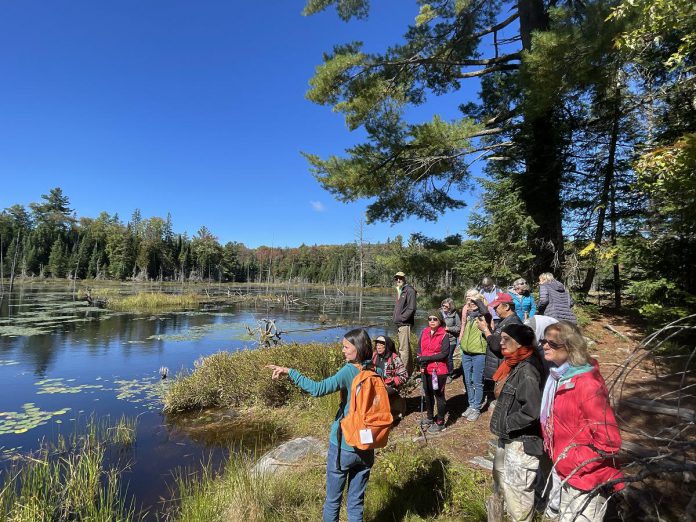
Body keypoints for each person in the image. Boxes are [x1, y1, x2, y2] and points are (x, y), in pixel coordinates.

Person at [266, 329, 377, 522]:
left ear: (357, 350)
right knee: (356, 503)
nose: (342, 350)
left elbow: (318, 389)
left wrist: (290, 371)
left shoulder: (349, 371)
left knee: (333, 501)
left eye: (346, 347)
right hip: (368, 445)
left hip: (344, 445)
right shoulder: (375, 371)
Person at [540, 321, 623, 521]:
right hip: (566, 471)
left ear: (570, 347)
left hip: (586, 477)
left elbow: (609, 441)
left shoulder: (586, 384)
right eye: (543, 340)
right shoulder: (559, 376)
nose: (544, 345)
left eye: (552, 343)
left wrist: (571, 462)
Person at [489, 323, 544, 522]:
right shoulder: (514, 364)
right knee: (503, 483)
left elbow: (532, 411)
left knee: (518, 497)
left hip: (522, 442)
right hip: (509, 437)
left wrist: (506, 422)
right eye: (501, 338)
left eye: (506, 339)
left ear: (520, 343)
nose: (501, 343)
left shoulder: (528, 370)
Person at [476, 292, 522, 405]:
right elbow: (496, 339)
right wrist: (487, 330)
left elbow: (497, 346)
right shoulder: (505, 321)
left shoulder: (513, 323)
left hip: (505, 369)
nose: (495, 309)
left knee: (504, 400)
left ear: (506, 307)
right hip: (500, 368)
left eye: (497, 307)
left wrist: (485, 330)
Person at [457, 291, 490, 421]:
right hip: (466, 352)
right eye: (468, 301)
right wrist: (460, 343)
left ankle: (476, 407)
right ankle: (471, 405)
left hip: (479, 354)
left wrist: (477, 300)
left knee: (477, 382)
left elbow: (485, 312)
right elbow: (463, 326)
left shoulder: (483, 316)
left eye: (473, 302)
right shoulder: (470, 315)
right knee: (467, 381)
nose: (469, 304)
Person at [416, 310, 449, 433]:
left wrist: (427, 358)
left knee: (438, 395)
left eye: (435, 319)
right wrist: (420, 359)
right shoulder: (424, 332)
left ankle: (440, 422)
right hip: (425, 369)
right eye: (430, 319)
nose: (432, 321)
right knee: (428, 393)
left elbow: (444, 354)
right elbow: (419, 347)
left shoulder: (444, 335)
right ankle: (430, 417)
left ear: (440, 321)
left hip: (438, 371)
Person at [372, 335, 408, 419]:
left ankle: (382, 417)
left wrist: (393, 381)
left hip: (391, 386)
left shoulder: (394, 358)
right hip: (377, 384)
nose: (378, 347)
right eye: (377, 345)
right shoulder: (374, 356)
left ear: (387, 346)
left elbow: (404, 375)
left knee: (379, 395)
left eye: (381, 345)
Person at [393, 271, 417, 374]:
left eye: (401, 278)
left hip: (404, 324)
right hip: (401, 324)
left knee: (403, 350)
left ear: (404, 279)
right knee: (406, 348)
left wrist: (402, 318)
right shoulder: (401, 290)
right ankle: (410, 371)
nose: (398, 280)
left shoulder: (409, 291)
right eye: (397, 278)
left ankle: (402, 374)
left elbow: (412, 308)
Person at [441, 298, 461, 381]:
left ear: (450, 307)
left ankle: (450, 374)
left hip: (451, 340)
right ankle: (442, 372)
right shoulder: (440, 313)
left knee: (449, 357)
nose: (444, 307)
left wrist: (448, 328)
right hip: (440, 339)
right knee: (441, 357)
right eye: (443, 305)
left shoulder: (455, 315)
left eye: (446, 306)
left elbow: (458, 328)